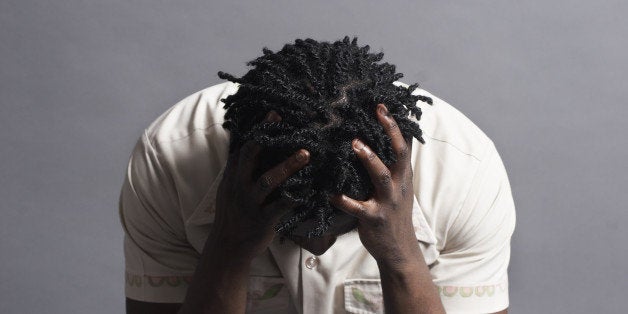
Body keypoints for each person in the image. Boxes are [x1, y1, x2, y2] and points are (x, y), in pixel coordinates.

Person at [119, 37, 516, 314]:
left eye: (342, 221)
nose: (318, 245)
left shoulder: (465, 176)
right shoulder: (167, 162)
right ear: (239, 159)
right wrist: (229, 246)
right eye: (292, 224)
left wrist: (401, 258)